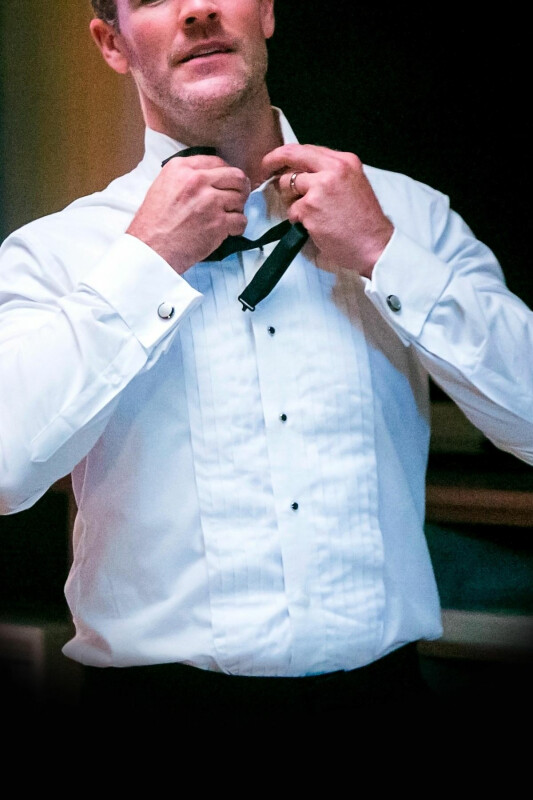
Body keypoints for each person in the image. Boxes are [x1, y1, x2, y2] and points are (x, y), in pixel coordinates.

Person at [1, 0, 532, 725]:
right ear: (112, 43)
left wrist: (383, 252)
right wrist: (144, 265)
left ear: (267, 10)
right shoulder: (55, 253)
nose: (198, 9)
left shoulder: (411, 217)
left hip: (383, 708)